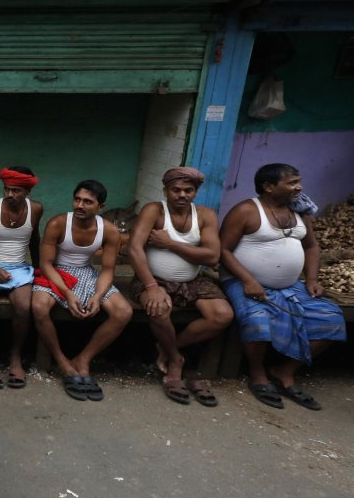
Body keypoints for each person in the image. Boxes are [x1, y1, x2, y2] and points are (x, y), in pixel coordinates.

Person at [218, 163, 346, 410]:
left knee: (332, 319)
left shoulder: (300, 212)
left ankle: (284, 370)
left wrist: (311, 280)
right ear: (268, 186)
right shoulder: (246, 210)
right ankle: (257, 374)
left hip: (291, 285)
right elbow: (222, 251)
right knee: (256, 319)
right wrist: (248, 280)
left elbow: (312, 246)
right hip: (244, 282)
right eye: (292, 182)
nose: (300, 187)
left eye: (298, 181)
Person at [126, 167, 234, 407]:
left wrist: (170, 243)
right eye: (176, 190)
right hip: (152, 279)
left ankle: (166, 348)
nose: (182, 195)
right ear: (166, 190)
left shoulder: (205, 215)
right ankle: (175, 360)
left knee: (222, 315)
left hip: (193, 281)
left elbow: (212, 257)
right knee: (158, 308)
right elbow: (134, 249)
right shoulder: (154, 210)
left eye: (188, 190)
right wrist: (151, 286)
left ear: (196, 192)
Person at [32, 180, 133, 401]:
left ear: (100, 207)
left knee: (123, 311)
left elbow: (107, 269)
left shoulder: (109, 230)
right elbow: (46, 264)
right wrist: (68, 294)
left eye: (88, 202)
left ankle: (83, 360)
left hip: (87, 273)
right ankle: (62, 362)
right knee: (39, 306)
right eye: (77, 199)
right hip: (57, 273)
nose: (80, 205)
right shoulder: (58, 224)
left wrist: (97, 295)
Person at [0, 167, 43, 389]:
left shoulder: (36, 210)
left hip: (20, 269)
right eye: (6, 189)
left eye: (16, 190)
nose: (10, 194)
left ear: (28, 191)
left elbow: (34, 240)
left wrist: (40, 269)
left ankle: (15, 357)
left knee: (24, 306)